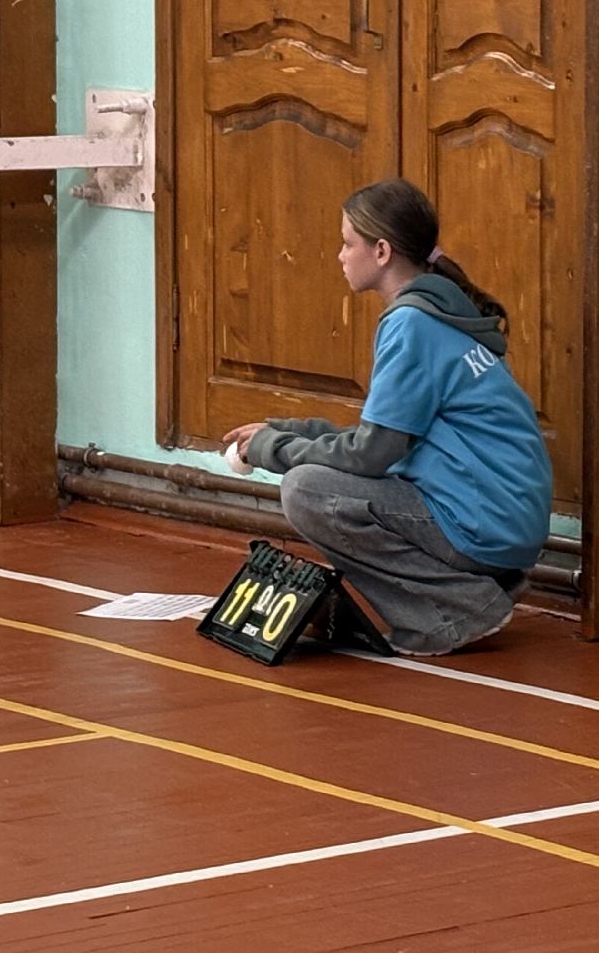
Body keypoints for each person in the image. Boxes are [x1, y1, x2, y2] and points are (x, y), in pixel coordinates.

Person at [223, 178, 553, 656]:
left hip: (485, 524)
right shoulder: (441, 313)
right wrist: (291, 432)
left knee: (306, 490)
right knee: (326, 477)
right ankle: (483, 585)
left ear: (381, 251)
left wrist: (274, 450)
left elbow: (371, 455)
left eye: (347, 243)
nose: (340, 255)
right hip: (507, 523)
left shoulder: (410, 323)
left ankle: (457, 608)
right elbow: (387, 439)